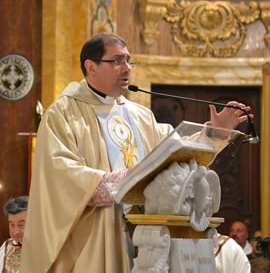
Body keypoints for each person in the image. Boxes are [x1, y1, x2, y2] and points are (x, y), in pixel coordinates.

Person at [21, 32, 253, 272]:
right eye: (117, 61)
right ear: (91, 67)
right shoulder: (63, 115)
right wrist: (130, 179)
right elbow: (61, 176)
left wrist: (215, 133)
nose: (127, 69)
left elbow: (175, 153)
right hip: (98, 237)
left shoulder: (141, 116)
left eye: (129, 61)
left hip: (149, 236)